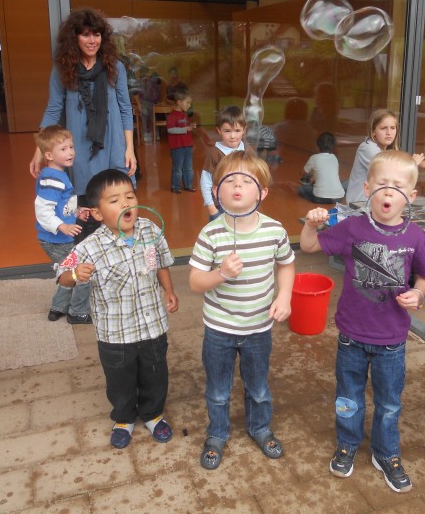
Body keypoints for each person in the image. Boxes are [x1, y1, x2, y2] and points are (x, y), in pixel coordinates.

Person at [300, 149, 425, 494]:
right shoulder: (351, 227)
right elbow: (311, 246)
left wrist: (418, 295)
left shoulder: (415, 236)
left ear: (411, 195)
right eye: (382, 184)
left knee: (389, 402)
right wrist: (311, 224)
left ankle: (386, 452)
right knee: (348, 397)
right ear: (367, 187)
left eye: (398, 186)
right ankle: (347, 443)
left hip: (392, 339)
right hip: (351, 336)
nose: (389, 192)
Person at [188, 150, 295, 470]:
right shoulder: (211, 233)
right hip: (219, 328)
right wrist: (220, 273)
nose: (236, 186)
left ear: (262, 192)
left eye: (245, 181)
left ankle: (260, 427)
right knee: (218, 389)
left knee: (258, 387)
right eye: (228, 181)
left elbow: (287, 265)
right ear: (216, 191)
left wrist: (285, 296)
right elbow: (194, 281)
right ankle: (217, 433)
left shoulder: (274, 230)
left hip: (259, 328)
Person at [57, 169, 178, 449]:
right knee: (120, 380)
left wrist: (169, 291)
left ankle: (153, 414)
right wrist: (76, 274)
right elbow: (62, 275)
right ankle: (123, 417)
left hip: (153, 325)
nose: (126, 204)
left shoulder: (150, 229)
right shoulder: (91, 246)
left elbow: (160, 262)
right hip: (115, 334)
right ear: (98, 214)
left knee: (155, 373)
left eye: (130, 196)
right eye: (114, 200)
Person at [30, 7, 138, 243]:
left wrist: (129, 149)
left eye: (96, 34)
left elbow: (125, 107)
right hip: (79, 146)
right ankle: (90, 264)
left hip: (113, 145)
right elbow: (53, 109)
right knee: (86, 211)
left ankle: (122, 257)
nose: (92, 40)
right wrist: (39, 150)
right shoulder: (63, 69)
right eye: (86, 34)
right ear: (74, 37)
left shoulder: (114, 67)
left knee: (118, 203)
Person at [34, 125, 91, 325]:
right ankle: (78, 312)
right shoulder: (52, 178)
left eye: (71, 147)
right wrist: (62, 227)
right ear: (48, 155)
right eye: (63, 149)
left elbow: (61, 205)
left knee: (69, 270)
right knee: (83, 273)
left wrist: (76, 213)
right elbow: (43, 210)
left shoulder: (58, 174)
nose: (70, 152)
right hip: (55, 239)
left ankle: (58, 307)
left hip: (58, 238)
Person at [345, 109, 425, 205]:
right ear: (373, 131)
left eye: (392, 128)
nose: (389, 132)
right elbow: (390, 173)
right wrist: (413, 163)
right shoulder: (368, 148)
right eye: (383, 128)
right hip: (360, 206)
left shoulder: (383, 150)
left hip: (375, 204)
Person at [200, 105, 249, 221]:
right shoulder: (214, 154)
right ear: (219, 130)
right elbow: (205, 182)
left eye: (237, 131)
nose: (233, 136)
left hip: (245, 204)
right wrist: (212, 209)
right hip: (220, 207)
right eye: (227, 131)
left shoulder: (247, 150)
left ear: (244, 129)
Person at [298, 132, 345, 204]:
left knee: (301, 189)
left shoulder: (314, 158)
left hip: (321, 198)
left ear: (318, 145)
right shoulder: (334, 158)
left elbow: (303, 172)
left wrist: (310, 176)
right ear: (333, 146)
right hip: (339, 198)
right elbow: (327, 174)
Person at [167, 90, 197, 194]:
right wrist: (185, 129)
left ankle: (188, 185)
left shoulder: (185, 115)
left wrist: (191, 126)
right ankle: (175, 186)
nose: (189, 105)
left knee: (189, 168)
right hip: (177, 147)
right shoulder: (172, 116)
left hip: (187, 145)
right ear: (179, 102)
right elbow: (170, 129)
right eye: (187, 102)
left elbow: (186, 127)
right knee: (178, 168)